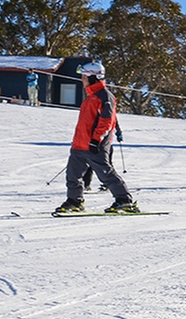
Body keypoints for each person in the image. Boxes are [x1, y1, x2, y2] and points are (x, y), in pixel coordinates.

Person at [53, 61, 139, 215]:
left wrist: (96, 139)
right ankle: (74, 201)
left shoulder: (104, 96)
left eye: (84, 76)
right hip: (80, 144)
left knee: (105, 173)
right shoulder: (90, 96)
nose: (82, 79)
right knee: (72, 175)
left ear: (93, 77)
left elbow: (107, 121)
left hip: (94, 144)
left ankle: (124, 200)